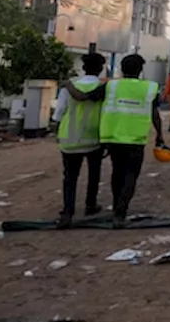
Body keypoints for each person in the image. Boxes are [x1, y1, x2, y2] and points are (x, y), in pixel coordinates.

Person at [65, 54, 164, 228]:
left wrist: (68, 85)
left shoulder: (111, 86)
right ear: (140, 70)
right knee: (131, 175)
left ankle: (117, 205)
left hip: (114, 138)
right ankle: (121, 211)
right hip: (136, 139)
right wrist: (160, 135)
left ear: (122, 69)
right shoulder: (149, 88)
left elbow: (83, 97)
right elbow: (155, 114)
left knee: (117, 173)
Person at [51, 52, 107, 228]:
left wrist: (57, 132)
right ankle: (91, 204)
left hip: (71, 137)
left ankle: (68, 211)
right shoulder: (103, 88)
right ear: (101, 69)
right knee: (94, 173)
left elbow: (59, 112)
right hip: (94, 137)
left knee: (70, 176)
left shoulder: (70, 86)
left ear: (83, 68)